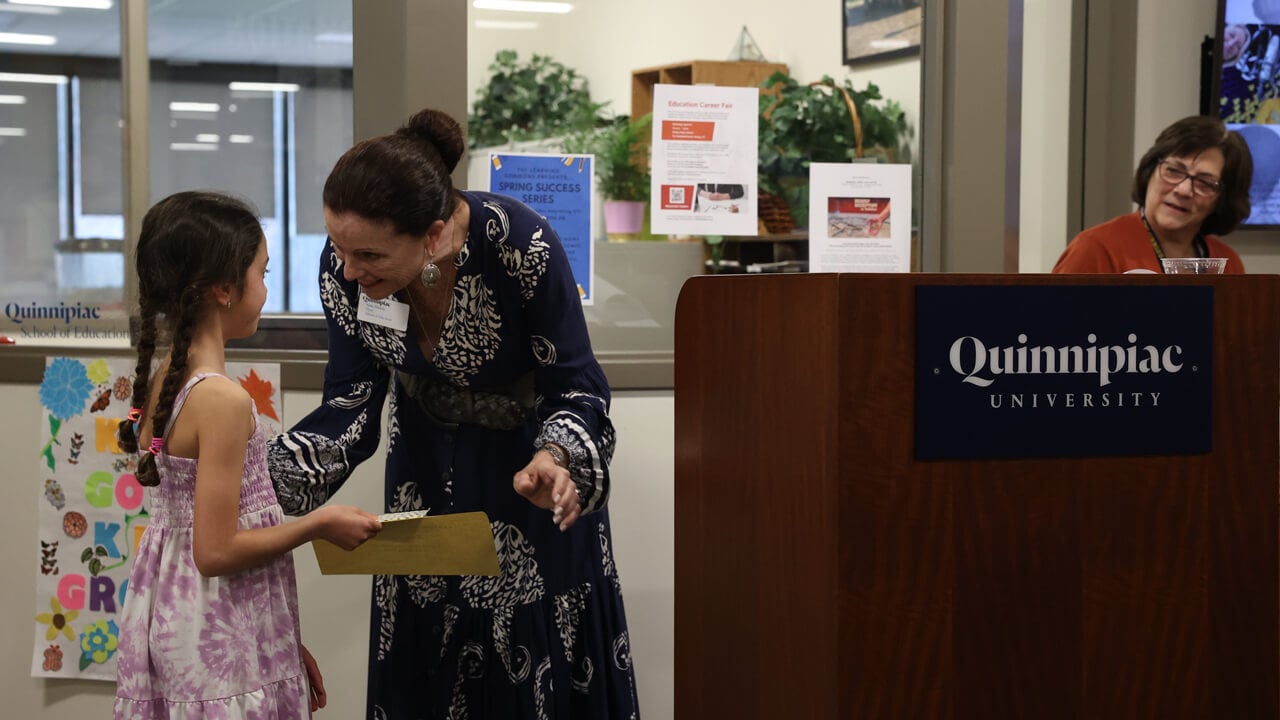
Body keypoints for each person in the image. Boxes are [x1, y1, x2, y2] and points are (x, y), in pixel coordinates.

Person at [266, 108, 641, 719]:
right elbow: (349, 406)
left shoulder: (523, 246)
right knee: (426, 665)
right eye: (337, 245)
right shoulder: (345, 271)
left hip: (527, 480)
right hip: (422, 473)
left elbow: (577, 386)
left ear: (435, 236)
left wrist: (558, 458)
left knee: (526, 659)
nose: (350, 270)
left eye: (368, 254)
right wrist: (251, 480)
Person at [113, 191, 383, 719]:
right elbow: (214, 552)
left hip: (198, 617)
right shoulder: (222, 400)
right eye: (261, 272)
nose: (265, 288)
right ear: (223, 289)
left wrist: (277, 639)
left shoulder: (173, 376)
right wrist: (318, 524)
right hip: (213, 625)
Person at [1053, 116, 1253, 274]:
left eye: (1204, 183)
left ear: (1223, 199)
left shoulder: (1228, 264)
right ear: (1150, 171)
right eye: (1173, 171)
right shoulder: (1096, 249)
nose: (1182, 190)